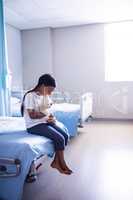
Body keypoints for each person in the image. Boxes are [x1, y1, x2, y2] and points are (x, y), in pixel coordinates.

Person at [21, 74, 73, 175]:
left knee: (65, 136)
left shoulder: (45, 96)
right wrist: (45, 113)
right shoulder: (30, 96)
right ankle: (61, 163)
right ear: (43, 85)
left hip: (45, 122)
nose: (50, 93)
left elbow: (48, 112)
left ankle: (55, 162)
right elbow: (32, 115)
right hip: (34, 126)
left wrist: (52, 118)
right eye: (49, 90)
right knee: (60, 139)